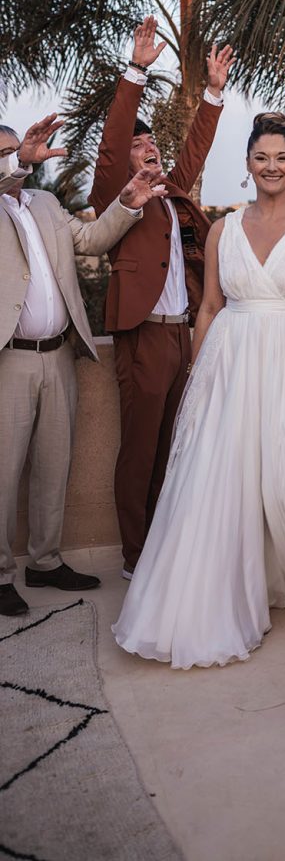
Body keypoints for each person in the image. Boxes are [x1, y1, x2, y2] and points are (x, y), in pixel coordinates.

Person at [113, 112, 285, 669]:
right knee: (225, 478)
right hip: (231, 363)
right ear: (247, 164)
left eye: (282, 157)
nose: (271, 166)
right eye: (261, 157)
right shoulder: (223, 229)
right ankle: (228, 583)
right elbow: (211, 305)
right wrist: (198, 373)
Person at [1, 115, 166, 617]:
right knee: (3, 474)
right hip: (10, 361)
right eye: (6, 151)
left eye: (15, 147)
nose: (17, 154)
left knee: (55, 465)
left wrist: (129, 204)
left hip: (59, 354)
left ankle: (45, 562)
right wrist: (20, 160)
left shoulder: (47, 204)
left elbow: (91, 241)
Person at [89, 17, 232, 581]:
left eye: (153, 145)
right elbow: (110, 145)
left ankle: (166, 540)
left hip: (181, 334)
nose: (148, 150)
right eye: (139, 146)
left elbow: (193, 152)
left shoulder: (170, 194)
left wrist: (214, 94)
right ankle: (134, 555)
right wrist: (136, 74)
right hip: (144, 334)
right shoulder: (115, 196)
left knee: (173, 443)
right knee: (140, 448)